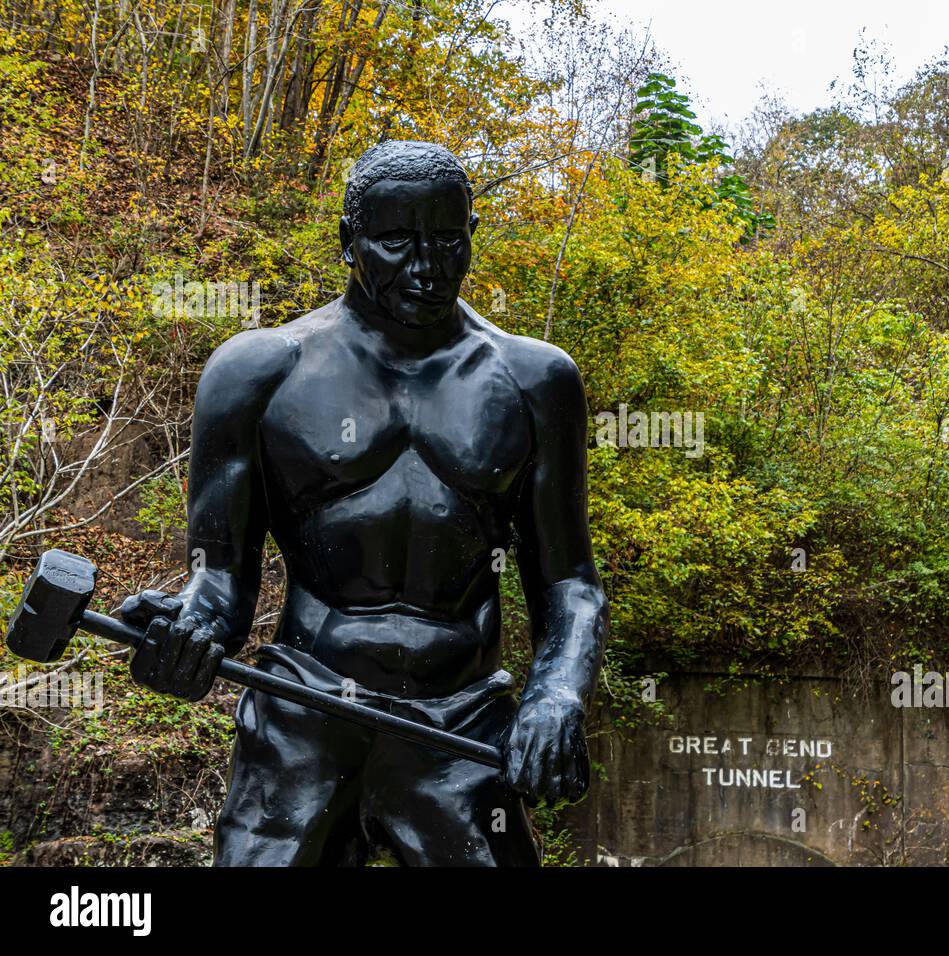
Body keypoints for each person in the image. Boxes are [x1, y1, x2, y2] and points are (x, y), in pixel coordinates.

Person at [120, 140, 610, 866]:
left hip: (461, 725)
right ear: (349, 240)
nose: (426, 266)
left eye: (448, 239)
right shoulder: (258, 372)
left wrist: (558, 693)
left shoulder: (535, 381)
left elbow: (568, 584)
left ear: (473, 233)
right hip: (305, 715)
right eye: (395, 241)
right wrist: (187, 633)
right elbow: (218, 579)